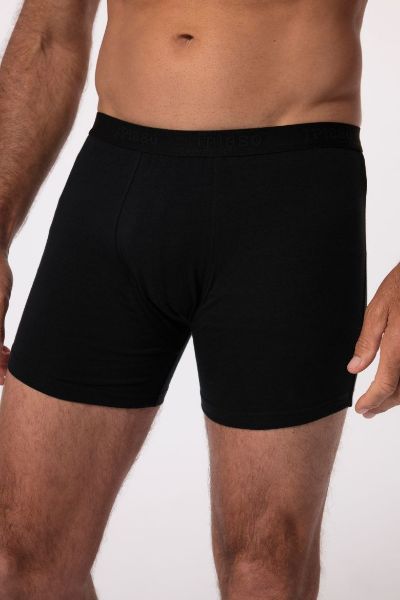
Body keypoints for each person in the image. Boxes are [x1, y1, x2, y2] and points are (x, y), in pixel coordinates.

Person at [0, 0, 398, 598]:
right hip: (114, 186)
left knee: (267, 565)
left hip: (290, 197)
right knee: (21, 562)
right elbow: (49, 35)